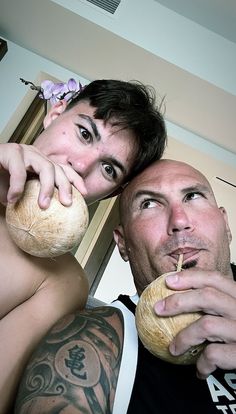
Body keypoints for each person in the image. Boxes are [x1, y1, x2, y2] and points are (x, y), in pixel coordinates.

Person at [14, 159, 236, 414]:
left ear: (225, 223)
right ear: (122, 244)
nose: (179, 220)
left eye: (193, 195)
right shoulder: (98, 340)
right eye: (149, 204)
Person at [0, 79, 167, 414]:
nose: (80, 165)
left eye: (108, 169)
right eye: (85, 133)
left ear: (110, 195)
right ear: (55, 112)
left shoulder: (62, 281)